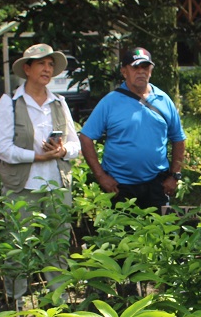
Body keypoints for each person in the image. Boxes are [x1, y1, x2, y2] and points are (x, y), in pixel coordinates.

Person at [0, 43, 80, 303]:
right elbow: (1, 148)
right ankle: (16, 304)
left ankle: (58, 305)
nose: (47, 68)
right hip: (22, 188)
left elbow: (76, 145)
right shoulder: (10, 102)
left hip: (56, 188)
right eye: (41, 63)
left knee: (58, 248)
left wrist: (62, 150)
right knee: (19, 249)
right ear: (27, 69)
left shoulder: (59, 102)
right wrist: (36, 156)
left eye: (51, 64)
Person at [79, 47, 186, 210]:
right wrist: (101, 177)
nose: (141, 72)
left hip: (157, 185)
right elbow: (86, 137)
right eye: (135, 67)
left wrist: (175, 176)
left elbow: (178, 138)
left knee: (159, 233)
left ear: (151, 70)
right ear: (124, 71)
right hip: (119, 187)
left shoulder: (164, 100)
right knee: (121, 234)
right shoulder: (110, 102)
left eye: (145, 67)